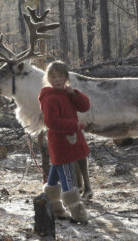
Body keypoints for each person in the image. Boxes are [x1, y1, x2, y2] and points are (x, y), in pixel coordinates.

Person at [38, 61, 90, 222]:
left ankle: (53, 207)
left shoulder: (67, 94)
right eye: (53, 77)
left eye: (60, 76)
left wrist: (74, 93)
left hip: (69, 141)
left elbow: (84, 106)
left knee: (54, 173)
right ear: (48, 79)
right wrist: (74, 125)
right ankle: (77, 212)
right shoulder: (50, 98)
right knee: (67, 176)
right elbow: (51, 122)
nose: (57, 80)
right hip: (61, 143)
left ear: (66, 78)